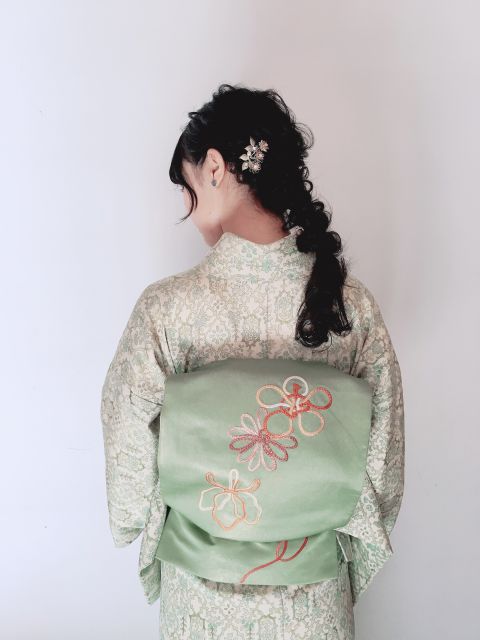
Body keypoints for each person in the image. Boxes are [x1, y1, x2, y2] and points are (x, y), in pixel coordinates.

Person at [100, 83, 405, 640]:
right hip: (312, 596)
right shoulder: (350, 306)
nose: (188, 210)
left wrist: (139, 519)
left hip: (200, 591)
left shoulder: (167, 309)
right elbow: (382, 466)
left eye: (188, 188)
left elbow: (127, 440)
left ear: (215, 168)